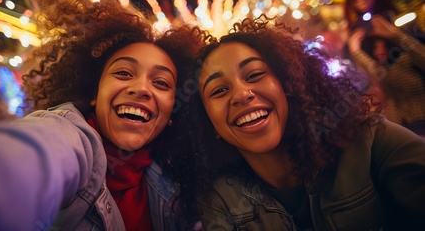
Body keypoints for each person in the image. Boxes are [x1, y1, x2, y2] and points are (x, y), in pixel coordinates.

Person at [0, 0, 207, 230]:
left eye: (160, 83)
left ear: (173, 110)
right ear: (93, 94)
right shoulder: (70, 136)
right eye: (123, 73)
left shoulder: (179, 174)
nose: (142, 88)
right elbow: (35, 154)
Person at [177, 17, 425, 230]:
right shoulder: (218, 199)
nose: (242, 94)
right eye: (219, 90)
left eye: (254, 75)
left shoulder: (369, 140)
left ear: (288, 86)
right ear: (208, 123)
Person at [344, 0, 425, 135]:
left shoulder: (401, 23)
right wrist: (356, 52)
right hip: (402, 127)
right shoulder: (359, 39)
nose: (361, 0)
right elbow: (377, 82)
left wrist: (395, 35)